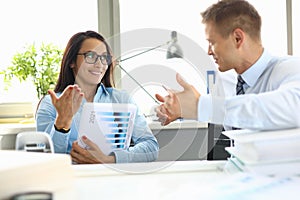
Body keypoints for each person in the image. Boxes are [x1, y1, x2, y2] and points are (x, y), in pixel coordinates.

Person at [155, 0, 300, 131]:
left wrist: (200, 106)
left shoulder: (289, 69)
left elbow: (293, 107)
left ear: (237, 38)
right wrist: (176, 109)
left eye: (212, 42)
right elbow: (226, 109)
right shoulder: (226, 82)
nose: (209, 51)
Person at [36, 30, 159, 164]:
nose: (99, 64)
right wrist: (62, 123)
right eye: (90, 56)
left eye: (104, 57)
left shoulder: (122, 99)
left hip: (114, 179)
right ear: (72, 61)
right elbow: (47, 159)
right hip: (70, 180)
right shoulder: (50, 104)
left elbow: (151, 147)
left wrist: (109, 160)